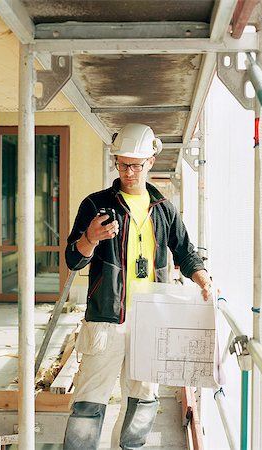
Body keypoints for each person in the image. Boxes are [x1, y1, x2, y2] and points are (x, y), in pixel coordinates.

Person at [63, 123, 212, 450]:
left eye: (135, 165)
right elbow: (73, 260)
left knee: (143, 401)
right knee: (89, 404)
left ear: (151, 162)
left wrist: (202, 280)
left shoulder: (163, 209)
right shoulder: (96, 205)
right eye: (121, 163)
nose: (128, 172)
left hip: (150, 322)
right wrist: (90, 238)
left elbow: (185, 251)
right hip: (106, 320)